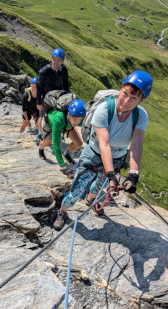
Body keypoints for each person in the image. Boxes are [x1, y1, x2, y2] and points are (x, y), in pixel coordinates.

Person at [52, 70, 153, 230]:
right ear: (121, 89)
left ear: (142, 100)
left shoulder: (141, 116)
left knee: (98, 188)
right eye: (125, 93)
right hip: (93, 155)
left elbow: (136, 145)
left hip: (115, 158)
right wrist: (112, 173)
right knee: (77, 190)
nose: (126, 101)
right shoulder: (104, 110)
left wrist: (133, 175)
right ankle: (62, 211)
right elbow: (104, 144)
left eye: (133, 98)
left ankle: (91, 199)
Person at [38, 99, 86, 178]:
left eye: (79, 121)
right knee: (48, 143)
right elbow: (56, 145)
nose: (76, 123)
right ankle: (40, 147)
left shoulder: (75, 117)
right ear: (69, 114)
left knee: (79, 143)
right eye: (75, 120)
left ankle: (66, 153)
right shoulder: (58, 119)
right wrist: (63, 167)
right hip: (50, 123)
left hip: (67, 123)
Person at [36, 48, 69, 143]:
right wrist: (38, 102)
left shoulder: (64, 70)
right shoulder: (44, 71)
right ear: (51, 59)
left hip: (57, 97)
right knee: (43, 115)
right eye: (54, 59)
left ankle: (55, 133)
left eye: (58, 60)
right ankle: (40, 133)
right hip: (45, 97)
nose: (56, 62)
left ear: (62, 61)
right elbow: (39, 86)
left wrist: (67, 98)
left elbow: (66, 84)